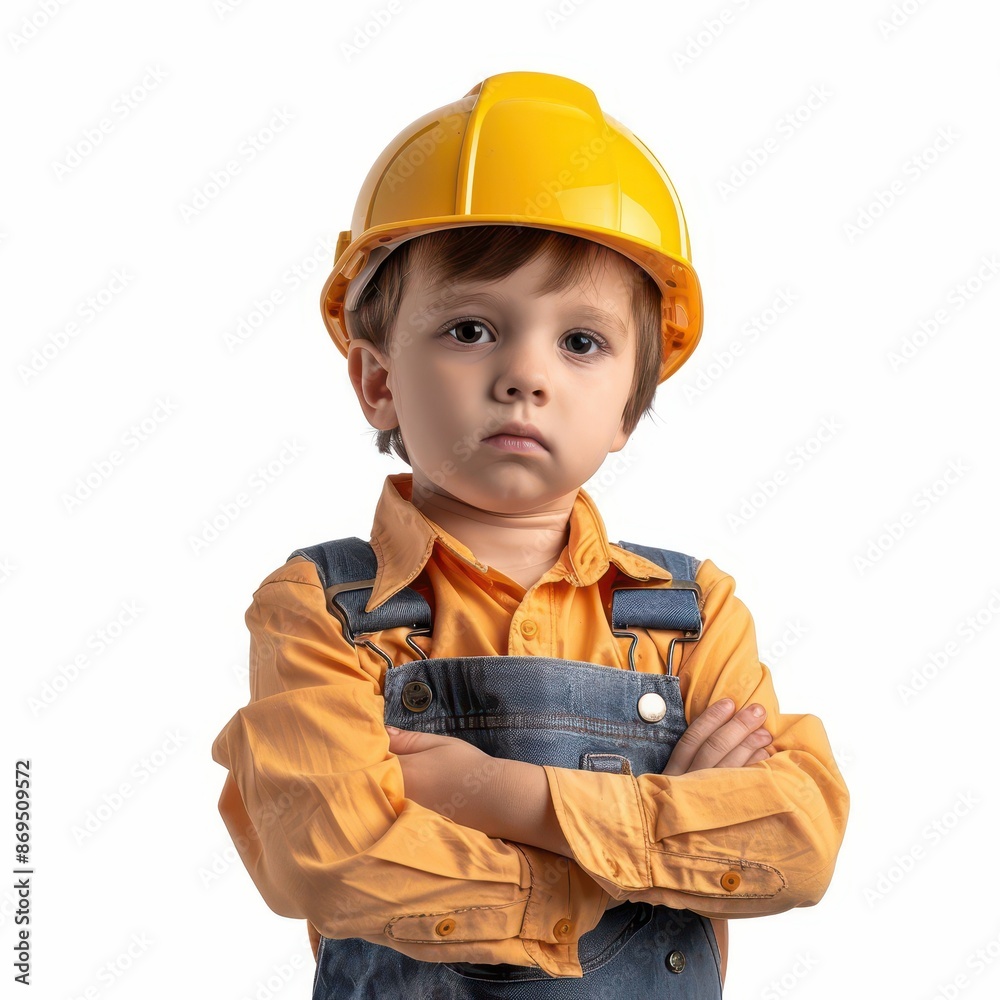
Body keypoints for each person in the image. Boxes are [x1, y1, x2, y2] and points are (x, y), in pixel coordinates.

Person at [211, 71, 849, 997]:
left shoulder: (691, 612)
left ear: (629, 406)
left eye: (580, 343)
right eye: (471, 328)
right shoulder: (323, 609)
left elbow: (798, 840)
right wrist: (646, 842)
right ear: (377, 381)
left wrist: (497, 797)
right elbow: (326, 852)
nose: (523, 375)